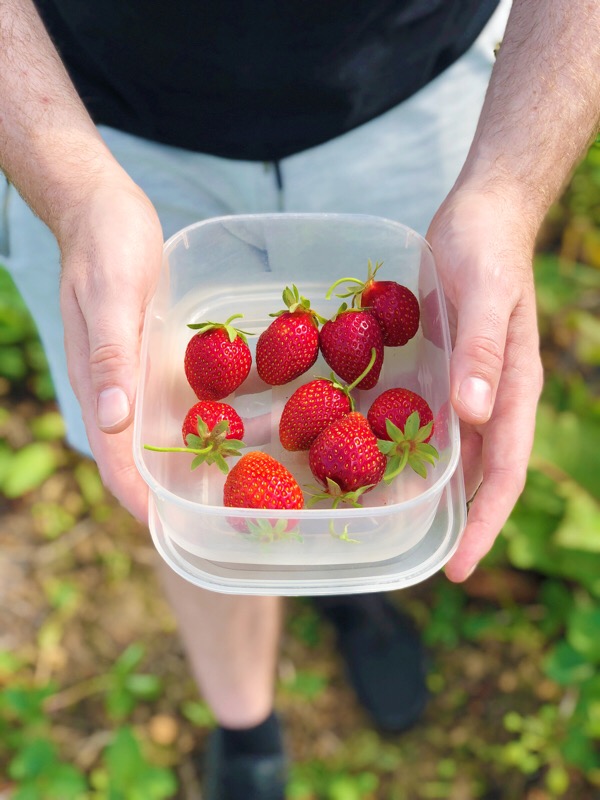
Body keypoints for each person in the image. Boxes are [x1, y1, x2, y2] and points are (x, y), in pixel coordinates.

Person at [1, 0, 599, 797]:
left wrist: (507, 187)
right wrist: (73, 190)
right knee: (184, 491)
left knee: (402, 448)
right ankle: (246, 720)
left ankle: (350, 597)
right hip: (99, 127)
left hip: (418, 100)